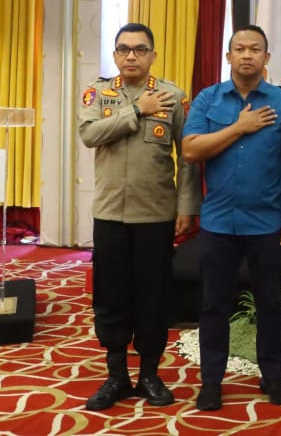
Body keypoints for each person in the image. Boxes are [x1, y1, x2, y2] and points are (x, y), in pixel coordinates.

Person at [182, 25, 281, 412]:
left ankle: (274, 377)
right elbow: (190, 150)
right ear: (228, 56)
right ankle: (211, 382)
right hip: (219, 222)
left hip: (269, 223)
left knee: (270, 304)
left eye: (255, 49)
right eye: (240, 48)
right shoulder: (208, 99)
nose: (247, 54)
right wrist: (239, 127)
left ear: (267, 57)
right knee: (214, 306)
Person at [77, 22, 199, 410]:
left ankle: (149, 374)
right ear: (115, 55)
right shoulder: (99, 93)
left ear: (153, 55)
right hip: (110, 213)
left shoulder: (173, 97)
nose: (132, 56)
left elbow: (188, 157)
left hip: (156, 215)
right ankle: (116, 376)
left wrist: (186, 207)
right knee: (110, 295)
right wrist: (135, 110)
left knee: (153, 296)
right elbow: (89, 134)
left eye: (140, 49)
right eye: (124, 49)